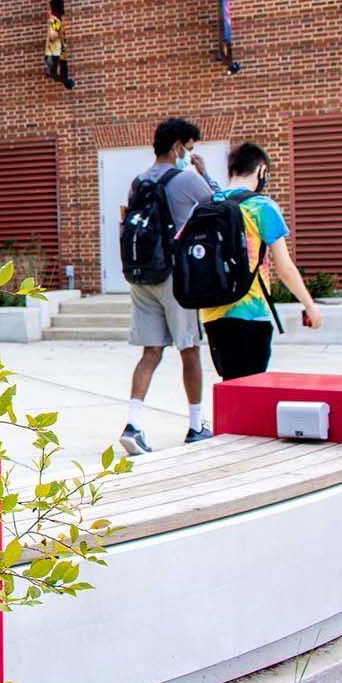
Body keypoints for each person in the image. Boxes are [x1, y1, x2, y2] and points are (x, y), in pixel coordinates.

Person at [120, 118, 217, 456]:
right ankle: (195, 425)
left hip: (140, 275)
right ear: (177, 146)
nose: (189, 155)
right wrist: (203, 173)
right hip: (175, 277)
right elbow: (220, 204)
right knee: (189, 348)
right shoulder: (187, 180)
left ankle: (133, 425)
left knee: (150, 352)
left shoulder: (138, 181)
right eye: (188, 149)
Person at [200, 142, 323, 379]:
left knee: (230, 385)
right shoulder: (262, 206)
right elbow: (285, 268)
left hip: (212, 313)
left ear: (229, 172)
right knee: (249, 388)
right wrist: (310, 306)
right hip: (251, 312)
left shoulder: (207, 205)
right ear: (261, 171)